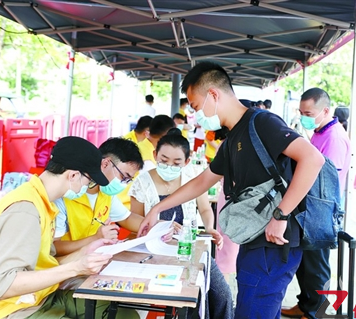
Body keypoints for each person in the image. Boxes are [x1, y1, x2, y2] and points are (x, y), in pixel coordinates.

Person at [137, 61, 325, 318]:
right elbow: (203, 181)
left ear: (213, 94)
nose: (195, 115)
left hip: (273, 240)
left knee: (254, 310)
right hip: (253, 237)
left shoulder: (262, 123)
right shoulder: (233, 136)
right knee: (253, 307)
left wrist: (281, 215)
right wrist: (159, 207)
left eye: (195, 106)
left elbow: (313, 159)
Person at [0, 136, 138, 319]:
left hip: (42, 295)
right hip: (12, 308)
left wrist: (85, 251)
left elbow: (46, 263)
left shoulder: (44, 203)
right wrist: (76, 267)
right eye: (89, 181)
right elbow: (6, 285)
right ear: (74, 175)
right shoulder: (25, 209)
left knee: (125, 315)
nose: (88, 187)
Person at [129, 131, 233, 319]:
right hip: (155, 253)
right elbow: (135, 222)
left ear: (186, 161)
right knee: (181, 299)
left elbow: (205, 209)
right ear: (155, 156)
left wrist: (209, 227)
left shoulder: (193, 178)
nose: (169, 166)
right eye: (164, 160)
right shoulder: (142, 182)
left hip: (190, 248)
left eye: (176, 163)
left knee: (221, 294)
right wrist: (157, 229)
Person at [282, 88, 351, 319]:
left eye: (308, 113)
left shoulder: (335, 137)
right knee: (305, 264)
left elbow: (325, 176)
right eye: (301, 112)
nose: (304, 117)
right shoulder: (320, 132)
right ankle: (305, 304)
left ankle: (316, 313)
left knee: (317, 267)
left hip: (321, 210)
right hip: (309, 207)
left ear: (325, 111)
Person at [53, 137, 144, 257]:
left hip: (91, 261)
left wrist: (159, 226)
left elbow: (126, 218)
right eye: (124, 177)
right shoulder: (68, 193)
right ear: (105, 163)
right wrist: (96, 238)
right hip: (67, 265)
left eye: (128, 180)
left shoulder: (105, 193)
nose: (124, 184)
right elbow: (54, 248)